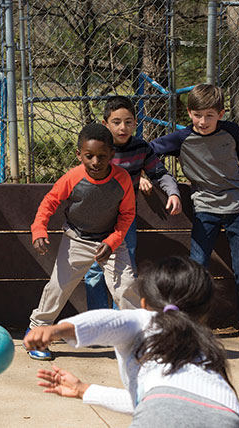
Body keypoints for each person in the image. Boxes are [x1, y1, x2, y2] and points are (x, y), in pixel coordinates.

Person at [24, 256, 239, 428]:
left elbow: (108, 321)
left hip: (160, 412)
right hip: (229, 416)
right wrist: (84, 390)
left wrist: (58, 329)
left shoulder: (147, 319)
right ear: (204, 312)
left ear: (143, 302)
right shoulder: (207, 349)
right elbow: (156, 399)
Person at [150, 83, 239, 343]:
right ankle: (190, 323)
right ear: (189, 114)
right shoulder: (181, 138)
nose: (203, 121)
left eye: (209, 115)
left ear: (221, 114)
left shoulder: (231, 131)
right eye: (197, 115)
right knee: (197, 265)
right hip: (205, 207)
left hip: (238, 205)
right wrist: (148, 177)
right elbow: (147, 152)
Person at [27, 123, 141, 361]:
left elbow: (127, 215)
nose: (96, 162)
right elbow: (49, 202)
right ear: (79, 154)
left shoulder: (122, 180)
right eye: (89, 156)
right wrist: (39, 229)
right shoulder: (73, 177)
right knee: (59, 287)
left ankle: (135, 340)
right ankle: (37, 331)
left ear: (112, 154)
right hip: (77, 239)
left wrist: (112, 241)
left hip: (111, 242)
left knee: (126, 286)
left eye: (102, 156)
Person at [84, 96, 182, 310]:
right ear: (105, 124)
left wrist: (173, 193)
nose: (123, 127)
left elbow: (159, 173)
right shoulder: (97, 148)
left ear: (135, 123)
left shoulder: (141, 148)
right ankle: (99, 322)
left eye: (128, 122)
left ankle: (124, 322)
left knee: (125, 271)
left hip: (125, 221)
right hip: (96, 222)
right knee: (94, 271)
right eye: (116, 122)